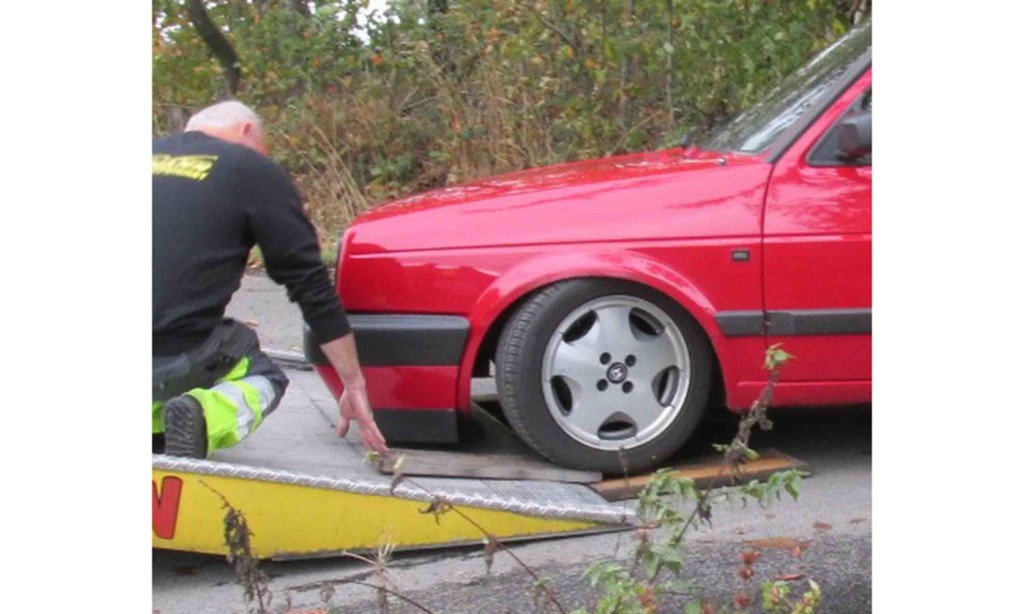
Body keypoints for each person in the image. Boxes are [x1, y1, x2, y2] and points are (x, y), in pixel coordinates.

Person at [152, 100, 388, 459]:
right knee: (261, 372)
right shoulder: (250, 169)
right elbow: (309, 285)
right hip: (170, 351)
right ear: (246, 130)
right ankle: (203, 417)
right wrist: (353, 381)